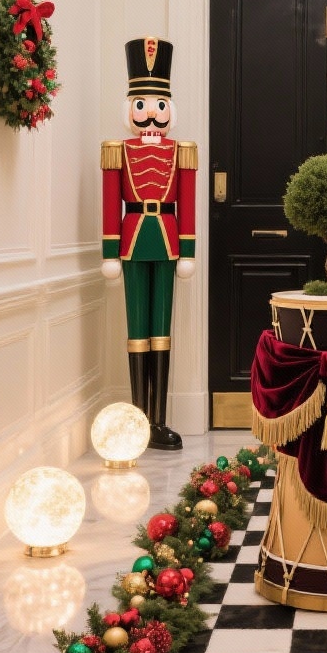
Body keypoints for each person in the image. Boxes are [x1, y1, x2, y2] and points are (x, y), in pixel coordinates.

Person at [101, 37, 197, 450]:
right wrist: (109, 252)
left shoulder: (183, 151)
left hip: (168, 239)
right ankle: (139, 420)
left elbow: (188, 204)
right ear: (131, 107)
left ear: (169, 108)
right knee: (136, 332)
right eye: (142, 104)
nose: (151, 114)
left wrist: (188, 251)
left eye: (158, 105)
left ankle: (159, 420)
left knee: (162, 332)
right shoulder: (116, 150)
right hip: (132, 241)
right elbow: (110, 204)